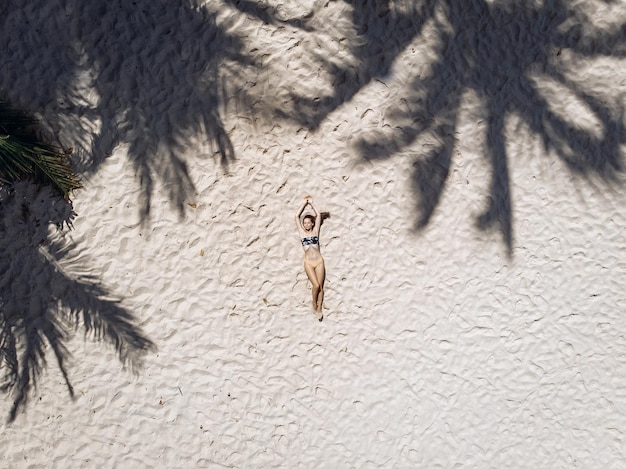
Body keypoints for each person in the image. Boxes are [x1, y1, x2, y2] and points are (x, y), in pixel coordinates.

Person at [295, 195, 325, 321]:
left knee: (321, 287)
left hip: (319, 262)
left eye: (308, 222)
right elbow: (296, 216)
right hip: (308, 262)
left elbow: (318, 215)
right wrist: (304, 204)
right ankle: (314, 303)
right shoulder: (302, 234)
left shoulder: (315, 231)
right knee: (316, 285)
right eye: (305, 223)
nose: (306, 224)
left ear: (312, 223)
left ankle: (319, 308)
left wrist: (311, 204)